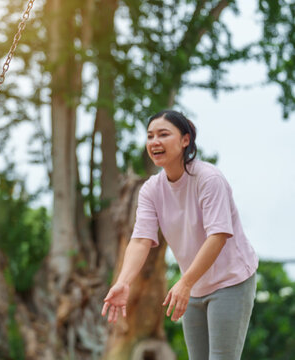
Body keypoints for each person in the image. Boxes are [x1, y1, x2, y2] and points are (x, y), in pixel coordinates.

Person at [102, 110, 258, 359]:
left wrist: (185, 283)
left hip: (230, 281)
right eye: (150, 136)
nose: (155, 142)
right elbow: (141, 239)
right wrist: (123, 281)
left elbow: (217, 236)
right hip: (194, 286)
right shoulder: (151, 190)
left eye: (164, 134)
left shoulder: (208, 179)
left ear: (185, 140)